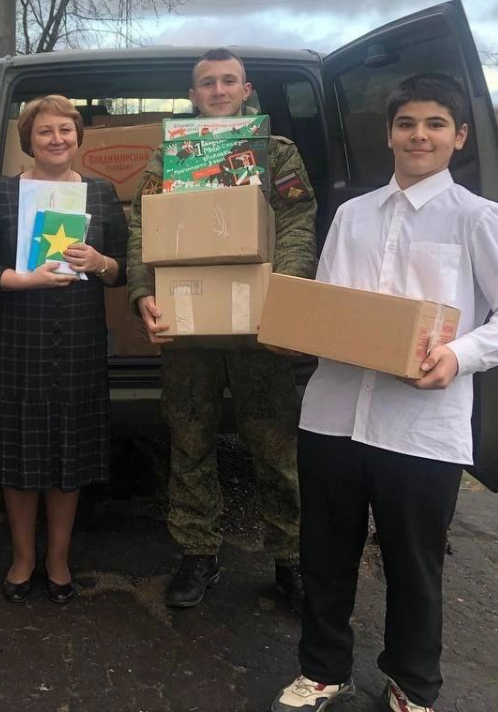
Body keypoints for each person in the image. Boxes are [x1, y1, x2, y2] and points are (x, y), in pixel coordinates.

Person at [269, 74, 498, 712]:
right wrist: (296, 332)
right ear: (389, 134)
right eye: (407, 124)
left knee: (414, 564)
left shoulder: (477, 218)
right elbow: (330, 308)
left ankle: (412, 685)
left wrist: (457, 355)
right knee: (324, 553)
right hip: (334, 415)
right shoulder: (352, 215)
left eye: (435, 124)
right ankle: (323, 671)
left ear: (459, 136)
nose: (420, 135)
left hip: (421, 427)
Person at [126, 48, 317, 611]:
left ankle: (291, 557)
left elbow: (297, 222)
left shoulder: (276, 152)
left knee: (275, 444)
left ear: (246, 89)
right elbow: (142, 225)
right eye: (207, 83)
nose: (217, 90)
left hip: (260, 325)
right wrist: (142, 293)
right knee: (189, 441)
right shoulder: (170, 156)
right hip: (189, 325)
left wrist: (285, 294)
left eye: (228, 81)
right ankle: (197, 552)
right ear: (193, 95)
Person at [0, 95, 128, 603]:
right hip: (16, 340)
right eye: (44, 131)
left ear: (78, 137)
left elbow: (123, 269)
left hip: (78, 343)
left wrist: (100, 261)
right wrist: (23, 279)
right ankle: (23, 558)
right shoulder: (1, 193)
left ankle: (58, 560)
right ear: (28, 141)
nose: (57, 139)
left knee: (68, 455)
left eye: (65, 130)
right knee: (19, 456)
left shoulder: (102, 193)